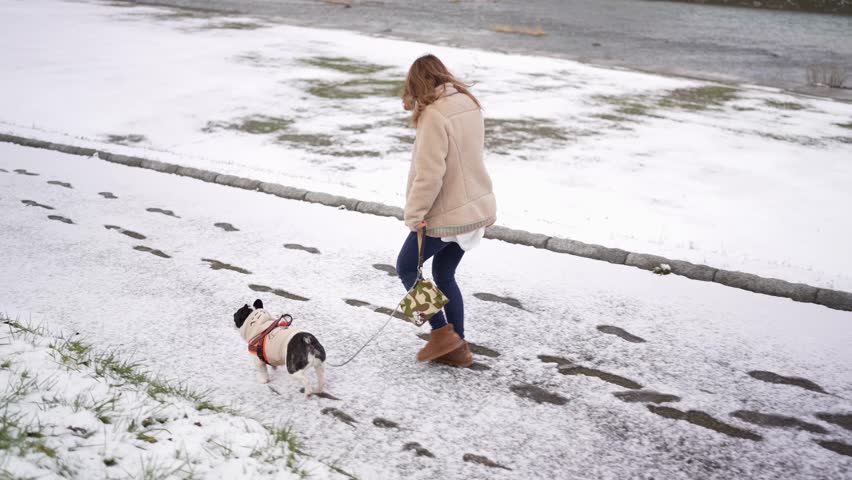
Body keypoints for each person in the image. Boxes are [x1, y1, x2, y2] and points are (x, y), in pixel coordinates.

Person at [396, 54, 497, 368]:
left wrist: (415, 215)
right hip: (474, 210)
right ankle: (458, 347)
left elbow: (430, 175)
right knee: (443, 274)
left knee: (406, 267)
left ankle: (442, 333)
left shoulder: (435, 116)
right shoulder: (468, 102)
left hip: (447, 215)